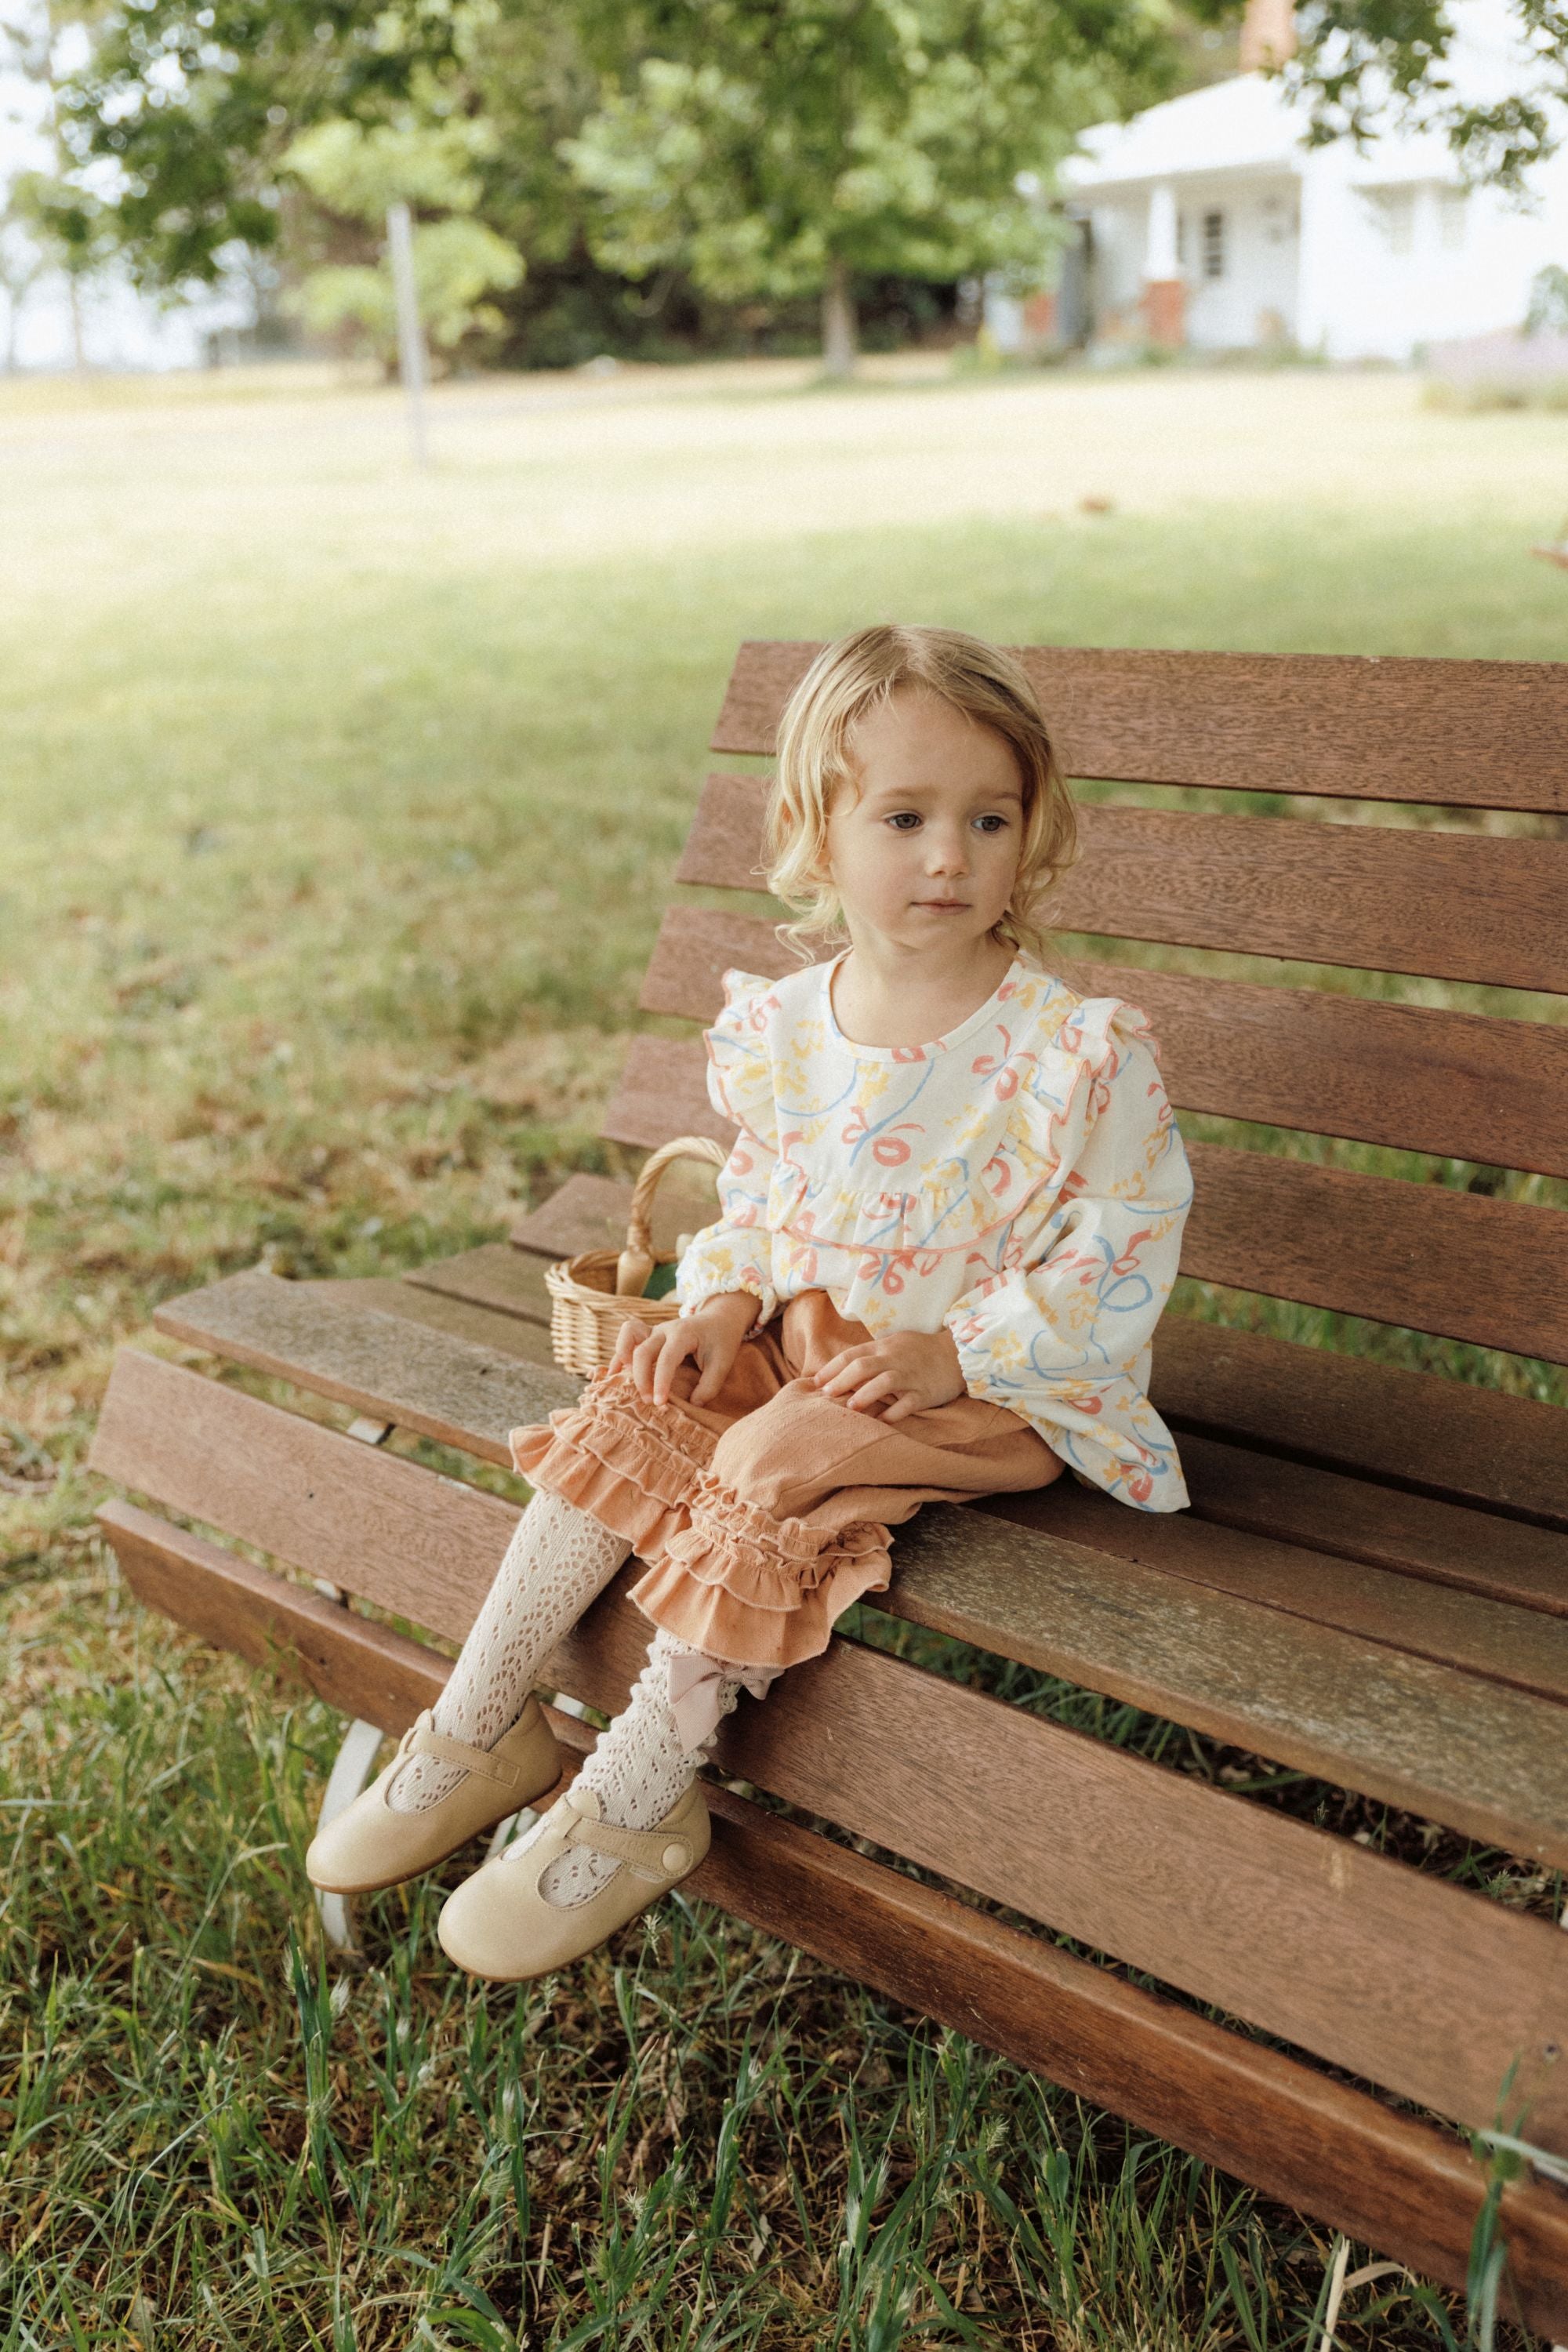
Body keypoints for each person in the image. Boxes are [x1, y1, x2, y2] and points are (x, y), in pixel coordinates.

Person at [306, 622, 1195, 1982]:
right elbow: (765, 1199)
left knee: (767, 1463)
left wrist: (962, 1352)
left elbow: (1124, 1246)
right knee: (641, 1401)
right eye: (903, 817)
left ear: (1035, 831)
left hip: (999, 1387)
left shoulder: (1072, 1053)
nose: (949, 855)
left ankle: (638, 1797)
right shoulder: (789, 1028)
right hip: (810, 1348)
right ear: (814, 830)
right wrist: (723, 1297)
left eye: (987, 817)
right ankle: (479, 1722)